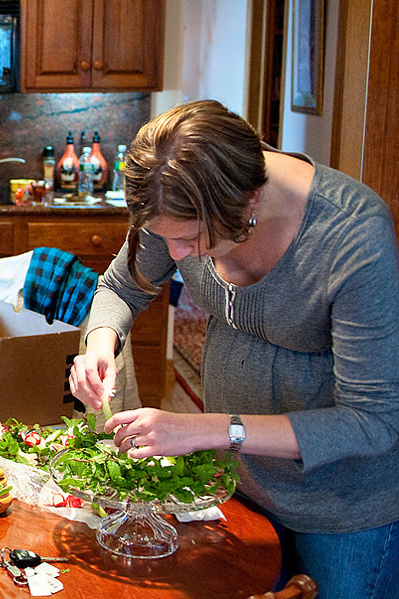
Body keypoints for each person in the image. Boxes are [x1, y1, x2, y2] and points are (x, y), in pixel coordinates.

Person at [68, 100, 399, 598]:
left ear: (248, 204)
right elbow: (121, 287)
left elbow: (373, 422)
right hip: (234, 486)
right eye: (165, 238)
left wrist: (208, 428)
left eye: (188, 239)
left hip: (342, 511)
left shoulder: (352, 235)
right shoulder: (179, 194)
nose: (176, 255)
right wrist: (99, 343)